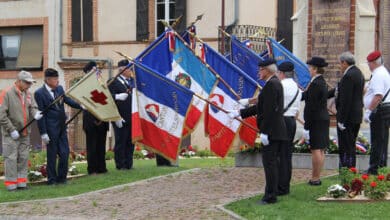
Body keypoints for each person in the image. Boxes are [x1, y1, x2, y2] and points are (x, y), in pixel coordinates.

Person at [234, 58, 288, 205]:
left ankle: (270, 196)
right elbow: (262, 106)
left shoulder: (272, 85)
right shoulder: (273, 83)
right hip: (275, 130)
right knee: (271, 163)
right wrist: (242, 112)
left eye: (261, 69)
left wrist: (265, 132)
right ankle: (272, 193)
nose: (259, 72)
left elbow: (269, 111)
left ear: (268, 70)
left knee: (270, 164)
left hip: (272, 130)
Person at [34, 68, 81, 185]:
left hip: (61, 127)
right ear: (48, 80)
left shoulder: (59, 89)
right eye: (55, 79)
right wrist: (43, 133)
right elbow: (41, 114)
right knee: (52, 155)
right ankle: (52, 180)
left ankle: (62, 178)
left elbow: (67, 100)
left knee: (64, 153)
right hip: (50, 129)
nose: (57, 81)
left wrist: (80, 106)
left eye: (57, 78)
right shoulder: (39, 93)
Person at [0, 71, 43, 191]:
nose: (29, 85)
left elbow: (33, 107)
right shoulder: (6, 93)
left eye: (30, 83)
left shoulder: (28, 94)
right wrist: (11, 130)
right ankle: (11, 185)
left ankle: (21, 183)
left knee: (23, 157)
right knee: (11, 158)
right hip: (11, 134)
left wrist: (36, 114)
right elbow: (1, 115)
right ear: (19, 81)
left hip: (25, 133)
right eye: (27, 83)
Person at [328, 52, 364, 168]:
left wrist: (341, 119)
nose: (340, 66)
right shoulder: (358, 73)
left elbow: (346, 100)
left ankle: (346, 169)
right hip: (356, 116)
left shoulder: (349, 76)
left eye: (340, 63)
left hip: (348, 118)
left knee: (346, 146)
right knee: (350, 145)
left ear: (344, 62)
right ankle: (350, 169)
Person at [302, 56, 330, 186]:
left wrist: (306, 127)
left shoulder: (315, 84)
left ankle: (315, 178)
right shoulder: (321, 82)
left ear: (315, 69)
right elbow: (307, 96)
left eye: (310, 68)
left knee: (316, 149)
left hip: (316, 119)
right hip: (322, 117)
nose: (309, 70)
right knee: (321, 149)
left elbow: (311, 106)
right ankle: (317, 176)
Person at [275, 61, 302, 195]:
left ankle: (279, 185)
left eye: (278, 73)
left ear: (282, 73)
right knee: (287, 155)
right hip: (291, 121)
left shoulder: (280, 85)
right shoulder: (297, 88)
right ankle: (285, 186)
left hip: (281, 120)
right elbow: (297, 109)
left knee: (278, 154)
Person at [363, 50, 390, 175]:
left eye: (369, 63)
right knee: (381, 140)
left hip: (379, 110)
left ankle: (374, 169)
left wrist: (369, 110)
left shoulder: (379, 74)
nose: (368, 65)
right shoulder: (380, 72)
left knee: (377, 141)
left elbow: (378, 95)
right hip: (383, 109)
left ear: (374, 62)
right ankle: (380, 166)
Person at [82, 61, 109, 175]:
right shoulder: (84, 84)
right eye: (95, 70)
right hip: (90, 118)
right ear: (89, 71)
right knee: (92, 145)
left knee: (101, 144)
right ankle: (92, 169)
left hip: (102, 117)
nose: (97, 72)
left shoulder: (100, 83)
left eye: (97, 70)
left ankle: (101, 167)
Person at [108, 59, 134, 170]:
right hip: (120, 117)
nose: (131, 71)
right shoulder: (113, 81)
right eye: (129, 69)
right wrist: (117, 96)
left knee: (130, 141)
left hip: (132, 116)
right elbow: (108, 98)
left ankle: (129, 163)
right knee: (121, 141)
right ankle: (120, 164)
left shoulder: (132, 81)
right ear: (122, 70)